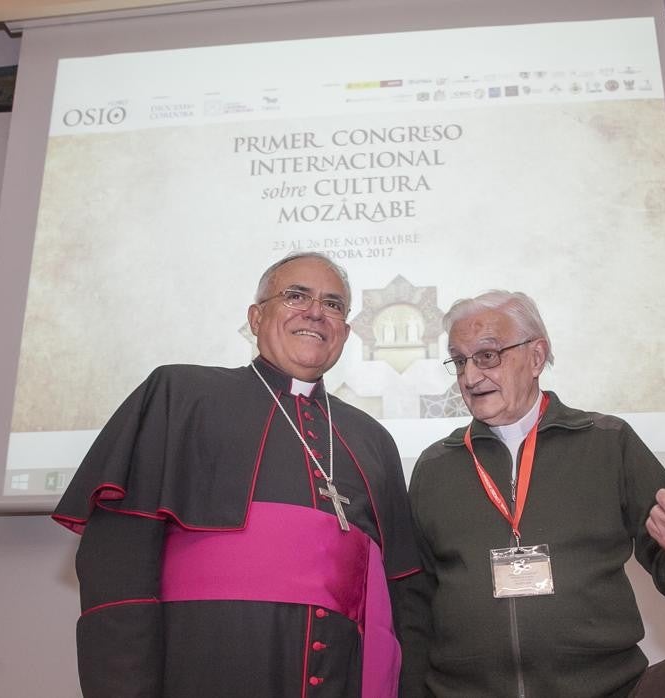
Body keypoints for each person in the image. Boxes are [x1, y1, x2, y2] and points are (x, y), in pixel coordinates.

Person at [53, 252, 421, 698]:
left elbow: (402, 599)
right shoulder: (179, 396)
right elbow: (119, 566)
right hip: (201, 669)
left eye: (333, 304)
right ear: (256, 315)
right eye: (296, 296)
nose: (315, 313)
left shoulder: (371, 439)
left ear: (345, 329)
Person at [398, 290, 665, 698]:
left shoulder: (608, 443)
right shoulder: (436, 466)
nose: (469, 377)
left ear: (536, 357)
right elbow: (413, 606)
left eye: (487, 356)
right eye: (460, 360)